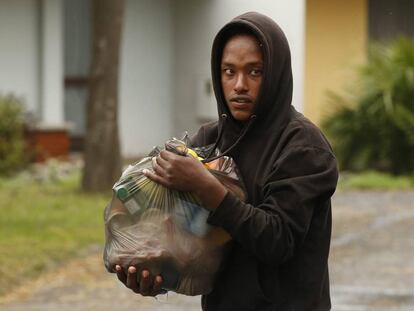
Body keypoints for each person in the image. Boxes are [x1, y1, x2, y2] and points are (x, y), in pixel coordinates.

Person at [115, 11, 338, 310]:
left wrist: (207, 188)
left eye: (255, 71)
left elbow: (278, 240)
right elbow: (179, 232)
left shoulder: (305, 148)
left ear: (277, 73)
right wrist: (151, 270)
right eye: (229, 71)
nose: (239, 85)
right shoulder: (208, 141)